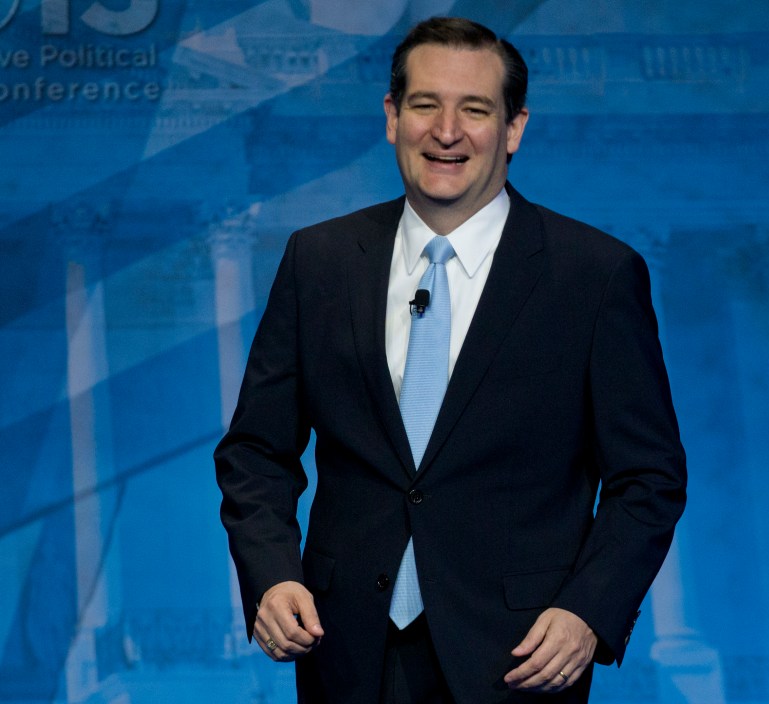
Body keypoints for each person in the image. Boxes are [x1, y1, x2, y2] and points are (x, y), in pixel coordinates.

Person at [215, 16, 686, 704]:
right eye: (425, 105)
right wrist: (272, 573)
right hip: (347, 651)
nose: (446, 131)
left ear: (514, 129)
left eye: (475, 109)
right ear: (391, 117)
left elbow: (648, 478)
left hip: (518, 658)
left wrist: (590, 610)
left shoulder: (594, 275)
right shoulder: (318, 260)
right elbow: (256, 450)